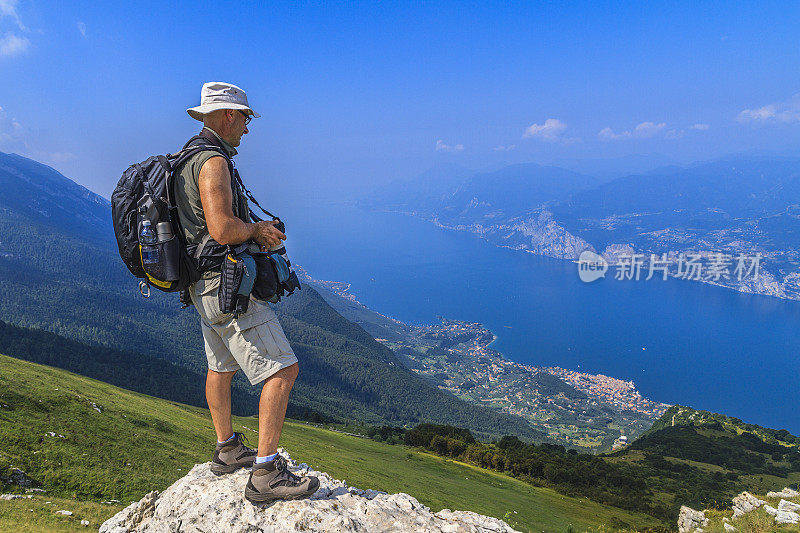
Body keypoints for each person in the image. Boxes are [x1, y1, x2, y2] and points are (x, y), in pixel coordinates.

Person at [175, 81, 319, 503]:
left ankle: (227, 449)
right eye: (246, 119)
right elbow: (220, 228)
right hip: (227, 287)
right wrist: (257, 231)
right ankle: (265, 474)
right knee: (282, 371)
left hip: (201, 286)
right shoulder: (213, 162)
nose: (248, 129)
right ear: (229, 116)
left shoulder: (186, 157)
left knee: (221, 366)